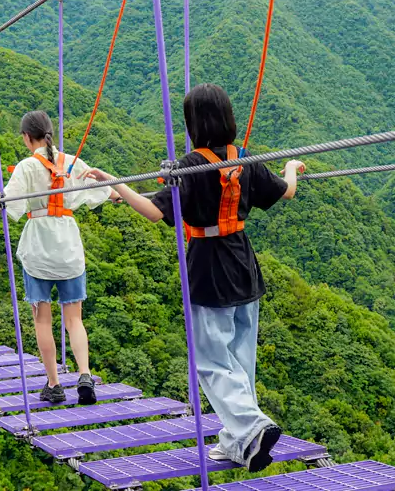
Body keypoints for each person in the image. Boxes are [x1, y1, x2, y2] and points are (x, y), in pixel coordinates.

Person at [81, 83, 305, 472]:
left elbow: (155, 212)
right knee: (240, 360)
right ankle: (239, 442)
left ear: (192, 123)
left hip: (209, 268)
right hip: (244, 266)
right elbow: (286, 193)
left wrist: (115, 183)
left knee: (212, 361)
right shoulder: (244, 159)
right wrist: (290, 168)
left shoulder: (190, 164)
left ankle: (252, 425)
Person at [0, 111, 117, 405]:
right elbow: (102, 189)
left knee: (42, 320)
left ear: (27, 137)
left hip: (39, 247)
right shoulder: (71, 162)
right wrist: (117, 195)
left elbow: (5, 205)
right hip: (68, 246)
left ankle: (53, 384)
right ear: (50, 133)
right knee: (74, 319)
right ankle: (85, 374)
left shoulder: (27, 167)